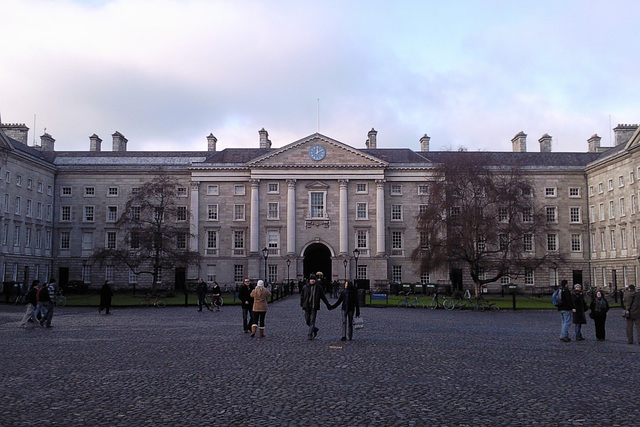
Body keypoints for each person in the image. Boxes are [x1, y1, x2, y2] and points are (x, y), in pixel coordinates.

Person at [300, 273, 332, 340]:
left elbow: (323, 297)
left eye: (314, 279)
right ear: (309, 280)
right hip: (307, 306)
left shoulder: (318, 288)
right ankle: (315, 329)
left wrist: (328, 305)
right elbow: (302, 296)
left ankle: (309, 334)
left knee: (312, 321)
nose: (312, 280)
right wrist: (302, 303)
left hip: (314, 306)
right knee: (307, 321)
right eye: (311, 279)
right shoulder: (305, 287)